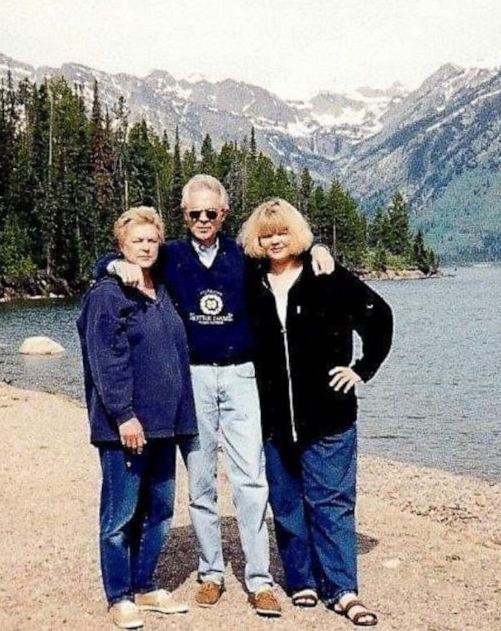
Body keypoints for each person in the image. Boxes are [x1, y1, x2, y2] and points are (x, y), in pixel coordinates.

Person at [97, 174, 335, 617]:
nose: (203, 220)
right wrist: (113, 266)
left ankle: (259, 579)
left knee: (250, 480)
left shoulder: (243, 255)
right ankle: (211, 573)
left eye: (211, 212)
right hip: (194, 380)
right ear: (184, 215)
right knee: (201, 481)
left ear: (224, 214)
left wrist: (317, 247)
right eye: (194, 213)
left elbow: (285, 252)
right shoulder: (169, 256)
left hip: (242, 376)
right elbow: (117, 259)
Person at [239, 198, 393, 627]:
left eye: (282, 233)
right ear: (256, 239)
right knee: (287, 505)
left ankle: (342, 590)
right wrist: (109, 266)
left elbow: (379, 317)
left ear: (298, 234)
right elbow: (188, 269)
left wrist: (362, 369)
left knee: (332, 504)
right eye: (266, 235)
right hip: (274, 420)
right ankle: (302, 580)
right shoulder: (251, 280)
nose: (274, 241)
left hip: (329, 417)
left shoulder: (326, 275)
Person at [76, 207, 197, 630]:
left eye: (151, 240)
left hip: (165, 424)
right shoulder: (109, 294)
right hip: (125, 427)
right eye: (136, 241)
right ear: (121, 247)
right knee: (120, 514)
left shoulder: (160, 288)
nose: (145, 247)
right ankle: (119, 595)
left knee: (160, 510)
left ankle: (145, 584)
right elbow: (106, 360)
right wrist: (124, 415)